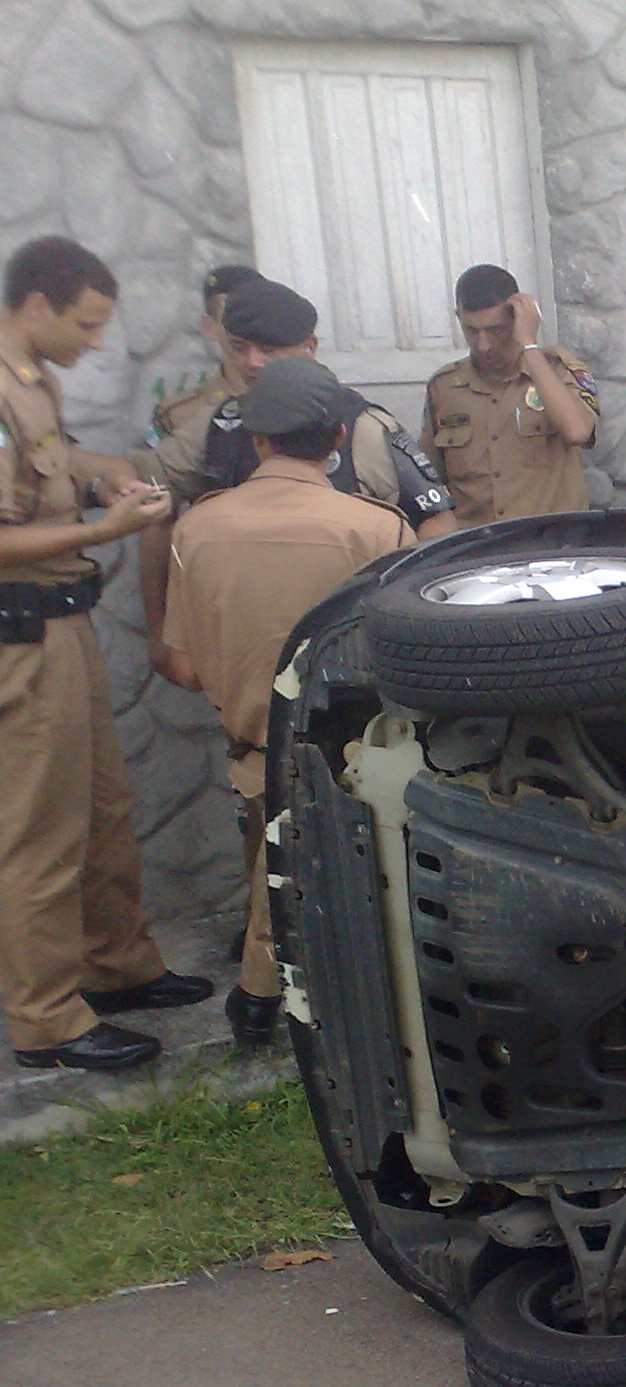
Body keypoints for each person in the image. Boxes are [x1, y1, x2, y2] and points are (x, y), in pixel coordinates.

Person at [0, 237, 208, 1073]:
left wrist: (104, 476)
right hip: (20, 636)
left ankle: (114, 966)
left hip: (63, 624)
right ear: (38, 305)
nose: (95, 343)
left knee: (103, 806)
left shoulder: (30, 382)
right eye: (86, 326)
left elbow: (48, 467)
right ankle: (46, 1018)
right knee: (41, 831)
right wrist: (105, 529)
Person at [160, 357, 411, 1047]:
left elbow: (181, 665)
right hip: (354, 758)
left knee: (277, 868)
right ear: (335, 439)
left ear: (258, 439)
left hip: (252, 752)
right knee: (356, 883)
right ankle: (283, 998)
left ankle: (259, 998)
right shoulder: (376, 528)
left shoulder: (197, 529)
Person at [158, 277, 457, 543]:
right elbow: (148, 488)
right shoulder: (220, 423)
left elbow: (434, 520)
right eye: (239, 348)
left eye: (268, 350)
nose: (252, 362)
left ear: (309, 347)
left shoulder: (363, 428)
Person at [134, 263, 261, 629]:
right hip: (217, 594)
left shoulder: (314, 405)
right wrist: (158, 626)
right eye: (232, 318)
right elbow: (155, 522)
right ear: (211, 327)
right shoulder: (179, 415)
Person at [421, 264, 598, 526]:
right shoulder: (445, 386)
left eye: (495, 330)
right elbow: (430, 480)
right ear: (458, 317)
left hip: (551, 546)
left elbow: (577, 431)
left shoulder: (557, 370)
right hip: (479, 549)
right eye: (472, 330)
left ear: (516, 318)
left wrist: (528, 342)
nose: (483, 345)